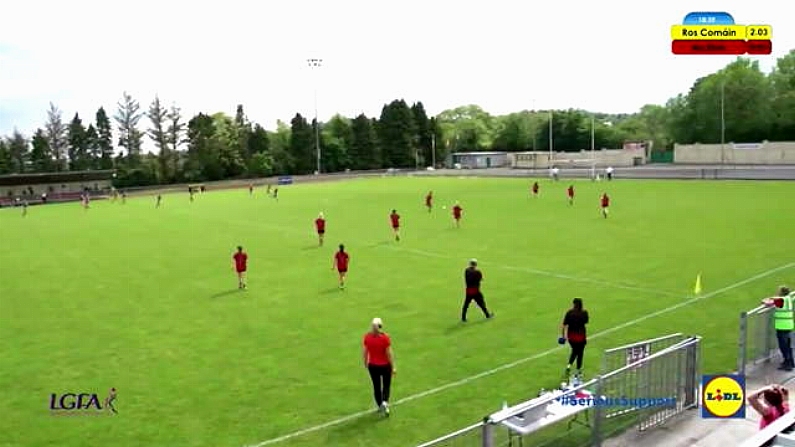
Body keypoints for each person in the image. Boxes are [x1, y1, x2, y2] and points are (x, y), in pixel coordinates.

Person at [363, 317, 395, 416]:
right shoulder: (385, 338)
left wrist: (365, 363)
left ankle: (380, 405)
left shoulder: (367, 337)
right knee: (386, 385)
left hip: (372, 366)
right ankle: (385, 402)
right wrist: (393, 366)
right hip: (385, 365)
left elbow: (365, 352)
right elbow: (389, 353)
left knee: (376, 387)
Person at [762, 286, 794, 371]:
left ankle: (788, 364)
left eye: (779, 291)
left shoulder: (781, 301)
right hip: (788, 325)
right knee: (787, 345)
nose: (777, 292)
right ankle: (791, 362)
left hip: (782, 326)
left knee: (784, 346)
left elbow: (767, 303)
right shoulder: (787, 298)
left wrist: (766, 300)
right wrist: (772, 297)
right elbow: (777, 299)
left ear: (782, 293)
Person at [561, 298, 589, 381]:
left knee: (574, 350)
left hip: (571, 337)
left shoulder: (569, 313)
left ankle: (569, 365)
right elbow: (586, 321)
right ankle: (578, 370)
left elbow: (564, 325)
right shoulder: (584, 313)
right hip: (581, 336)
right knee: (580, 353)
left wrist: (563, 336)